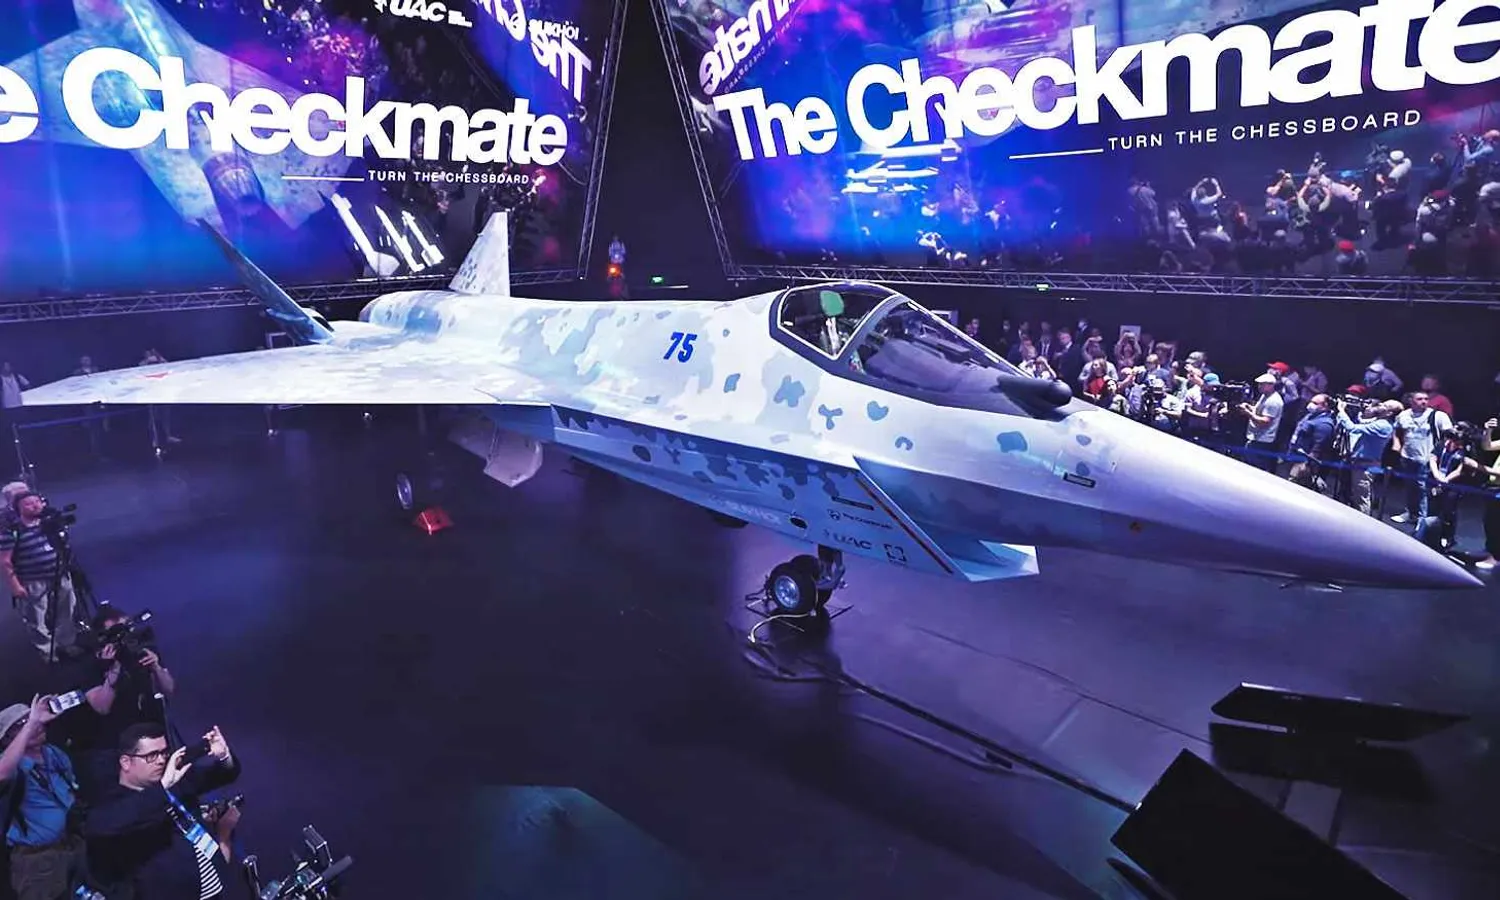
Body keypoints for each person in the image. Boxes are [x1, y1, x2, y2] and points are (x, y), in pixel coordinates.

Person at [85, 724, 242, 899]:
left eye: (164, 753)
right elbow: (101, 824)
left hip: (216, 887)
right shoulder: (113, 803)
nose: (161, 761)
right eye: (152, 756)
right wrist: (163, 787)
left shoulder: (174, 780)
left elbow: (225, 774)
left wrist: (224, 756)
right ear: (126, 762)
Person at [0, 697, 86, 900]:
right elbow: (2, 774)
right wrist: (30, 725)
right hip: (37, 862)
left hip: (73, 845)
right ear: (6, 739)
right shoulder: (10, 765)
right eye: (21, 724)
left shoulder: (54, 754)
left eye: (31, 719)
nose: (36, 725)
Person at [1, 493, 79, 663]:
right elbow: (5, 561)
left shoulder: (49, 524)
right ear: (18, 509)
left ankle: (67, 643)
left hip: (60, 575)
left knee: (66, 610)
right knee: (36, 618)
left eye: (38, 501)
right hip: (33, 580)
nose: (36, 506)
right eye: (29, 504)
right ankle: (46, 649)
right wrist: (15, 586)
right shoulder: (12, 531)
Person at [1465, 417, 1500, 571]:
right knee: (1490, 522)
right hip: (1494, 487)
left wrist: (1477, 467)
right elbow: (1487, 446)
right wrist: (1488, 431)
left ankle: (1496, 557)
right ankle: (1490, 550)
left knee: (1496, 524)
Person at [1240, 373, 1284, 472]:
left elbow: (1265, 422)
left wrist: (1247, 413)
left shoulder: (1273, 401)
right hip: (1255, 437)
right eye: (1259, 384)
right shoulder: (1264, 396)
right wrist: (1249, 407)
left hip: (1262, 440)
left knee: (1254, 468)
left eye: (1262, 384)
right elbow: (1259, 410)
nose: (1259, 386)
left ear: (1271, 385)